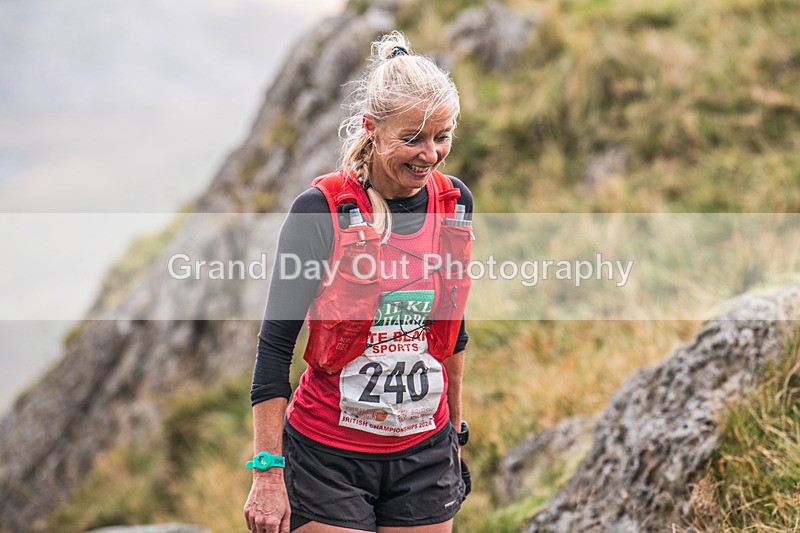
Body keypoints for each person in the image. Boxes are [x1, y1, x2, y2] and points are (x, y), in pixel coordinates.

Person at [244, 31, 474, 533]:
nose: (431, 154)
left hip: (425, 454)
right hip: (327, 460)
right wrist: (267, 473)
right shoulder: (320, 211)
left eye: (442, 136)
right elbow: (275, 347)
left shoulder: (454, 203)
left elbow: (452, 333)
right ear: (372, 128)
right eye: (412, 139)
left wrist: (454, 436)